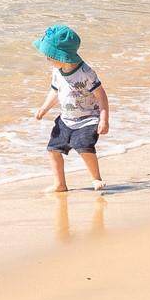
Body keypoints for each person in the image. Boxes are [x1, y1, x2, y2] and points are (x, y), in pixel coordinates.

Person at [32, 24, 109, 192]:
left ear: (63, 56)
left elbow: (101, 95)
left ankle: (96, 178)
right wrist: (44, 108)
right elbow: (55, 91)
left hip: (88, 119)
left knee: (84, 147)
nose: (47, 59)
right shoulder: (57, 70)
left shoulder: (86, 72)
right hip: (66, 119)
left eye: (50, 56)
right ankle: (60, 184)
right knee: (53, 150)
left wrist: (104, 119)